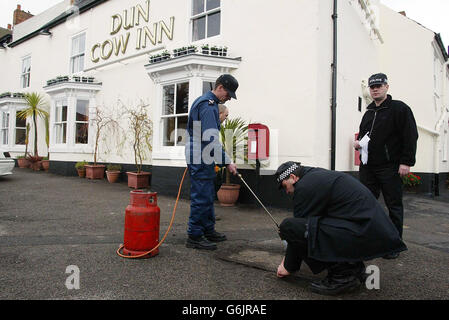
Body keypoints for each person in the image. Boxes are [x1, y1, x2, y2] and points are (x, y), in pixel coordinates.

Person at [275, 161, 407, 296]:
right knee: (314, 225)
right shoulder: (316, 176)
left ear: (293, 177)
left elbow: (298, 229)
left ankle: (343, 275)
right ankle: (353, 267)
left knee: (288, 227)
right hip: (370, 233)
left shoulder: (304, 187)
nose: (287, 191)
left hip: (362, 232)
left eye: (285, 186)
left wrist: (288, 266)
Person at [354, 73, 418, 259]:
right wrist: (358, 143)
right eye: (372, 87)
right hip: (368, 167)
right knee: (366, 203)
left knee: (394, 206)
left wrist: (406, 162)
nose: (375, 89)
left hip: (390, 166)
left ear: (386, 87)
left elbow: (410, 135)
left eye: (379, 86)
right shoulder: (368, 113)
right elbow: (364, 136)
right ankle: (370, 240)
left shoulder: (399, 109)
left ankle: (394, 245)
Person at [185, 74, 239, 250]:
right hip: (200, 155)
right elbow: (210, 138)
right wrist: (227, 162)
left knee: (207, 194)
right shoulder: (207, 106)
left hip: (203, 154)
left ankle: (208, 230)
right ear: (220, 87)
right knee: (201, 196)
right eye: (228, 93)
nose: (229, 98)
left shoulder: (211, 104)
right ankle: (194, 236)